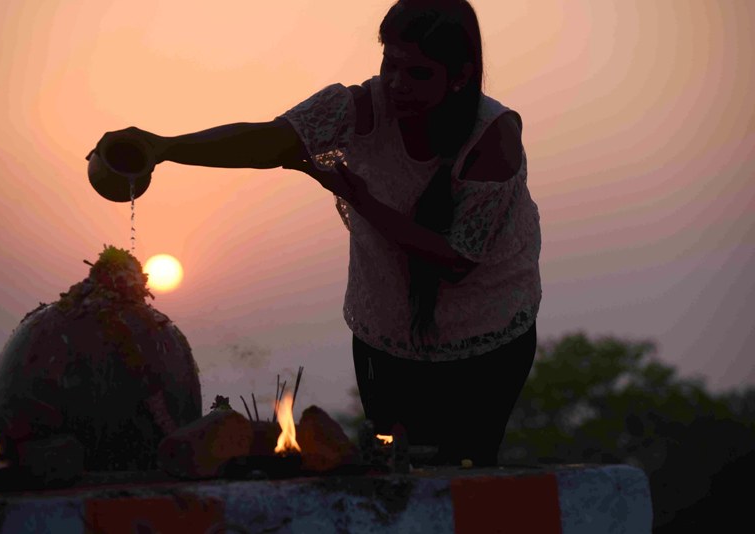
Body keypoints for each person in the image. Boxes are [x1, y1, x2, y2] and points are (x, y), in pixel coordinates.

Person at [89, 0, 541, 466]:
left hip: (485, 340)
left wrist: (362, 200)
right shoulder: (356, 108)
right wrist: (164, 147)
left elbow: (455, 261)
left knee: (466, 473)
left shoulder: (493, 138)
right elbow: (267, 140)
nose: (397, 85)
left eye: (419, 74)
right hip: (386, 333)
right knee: (394, 472)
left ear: (460, 76)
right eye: (391, 64)